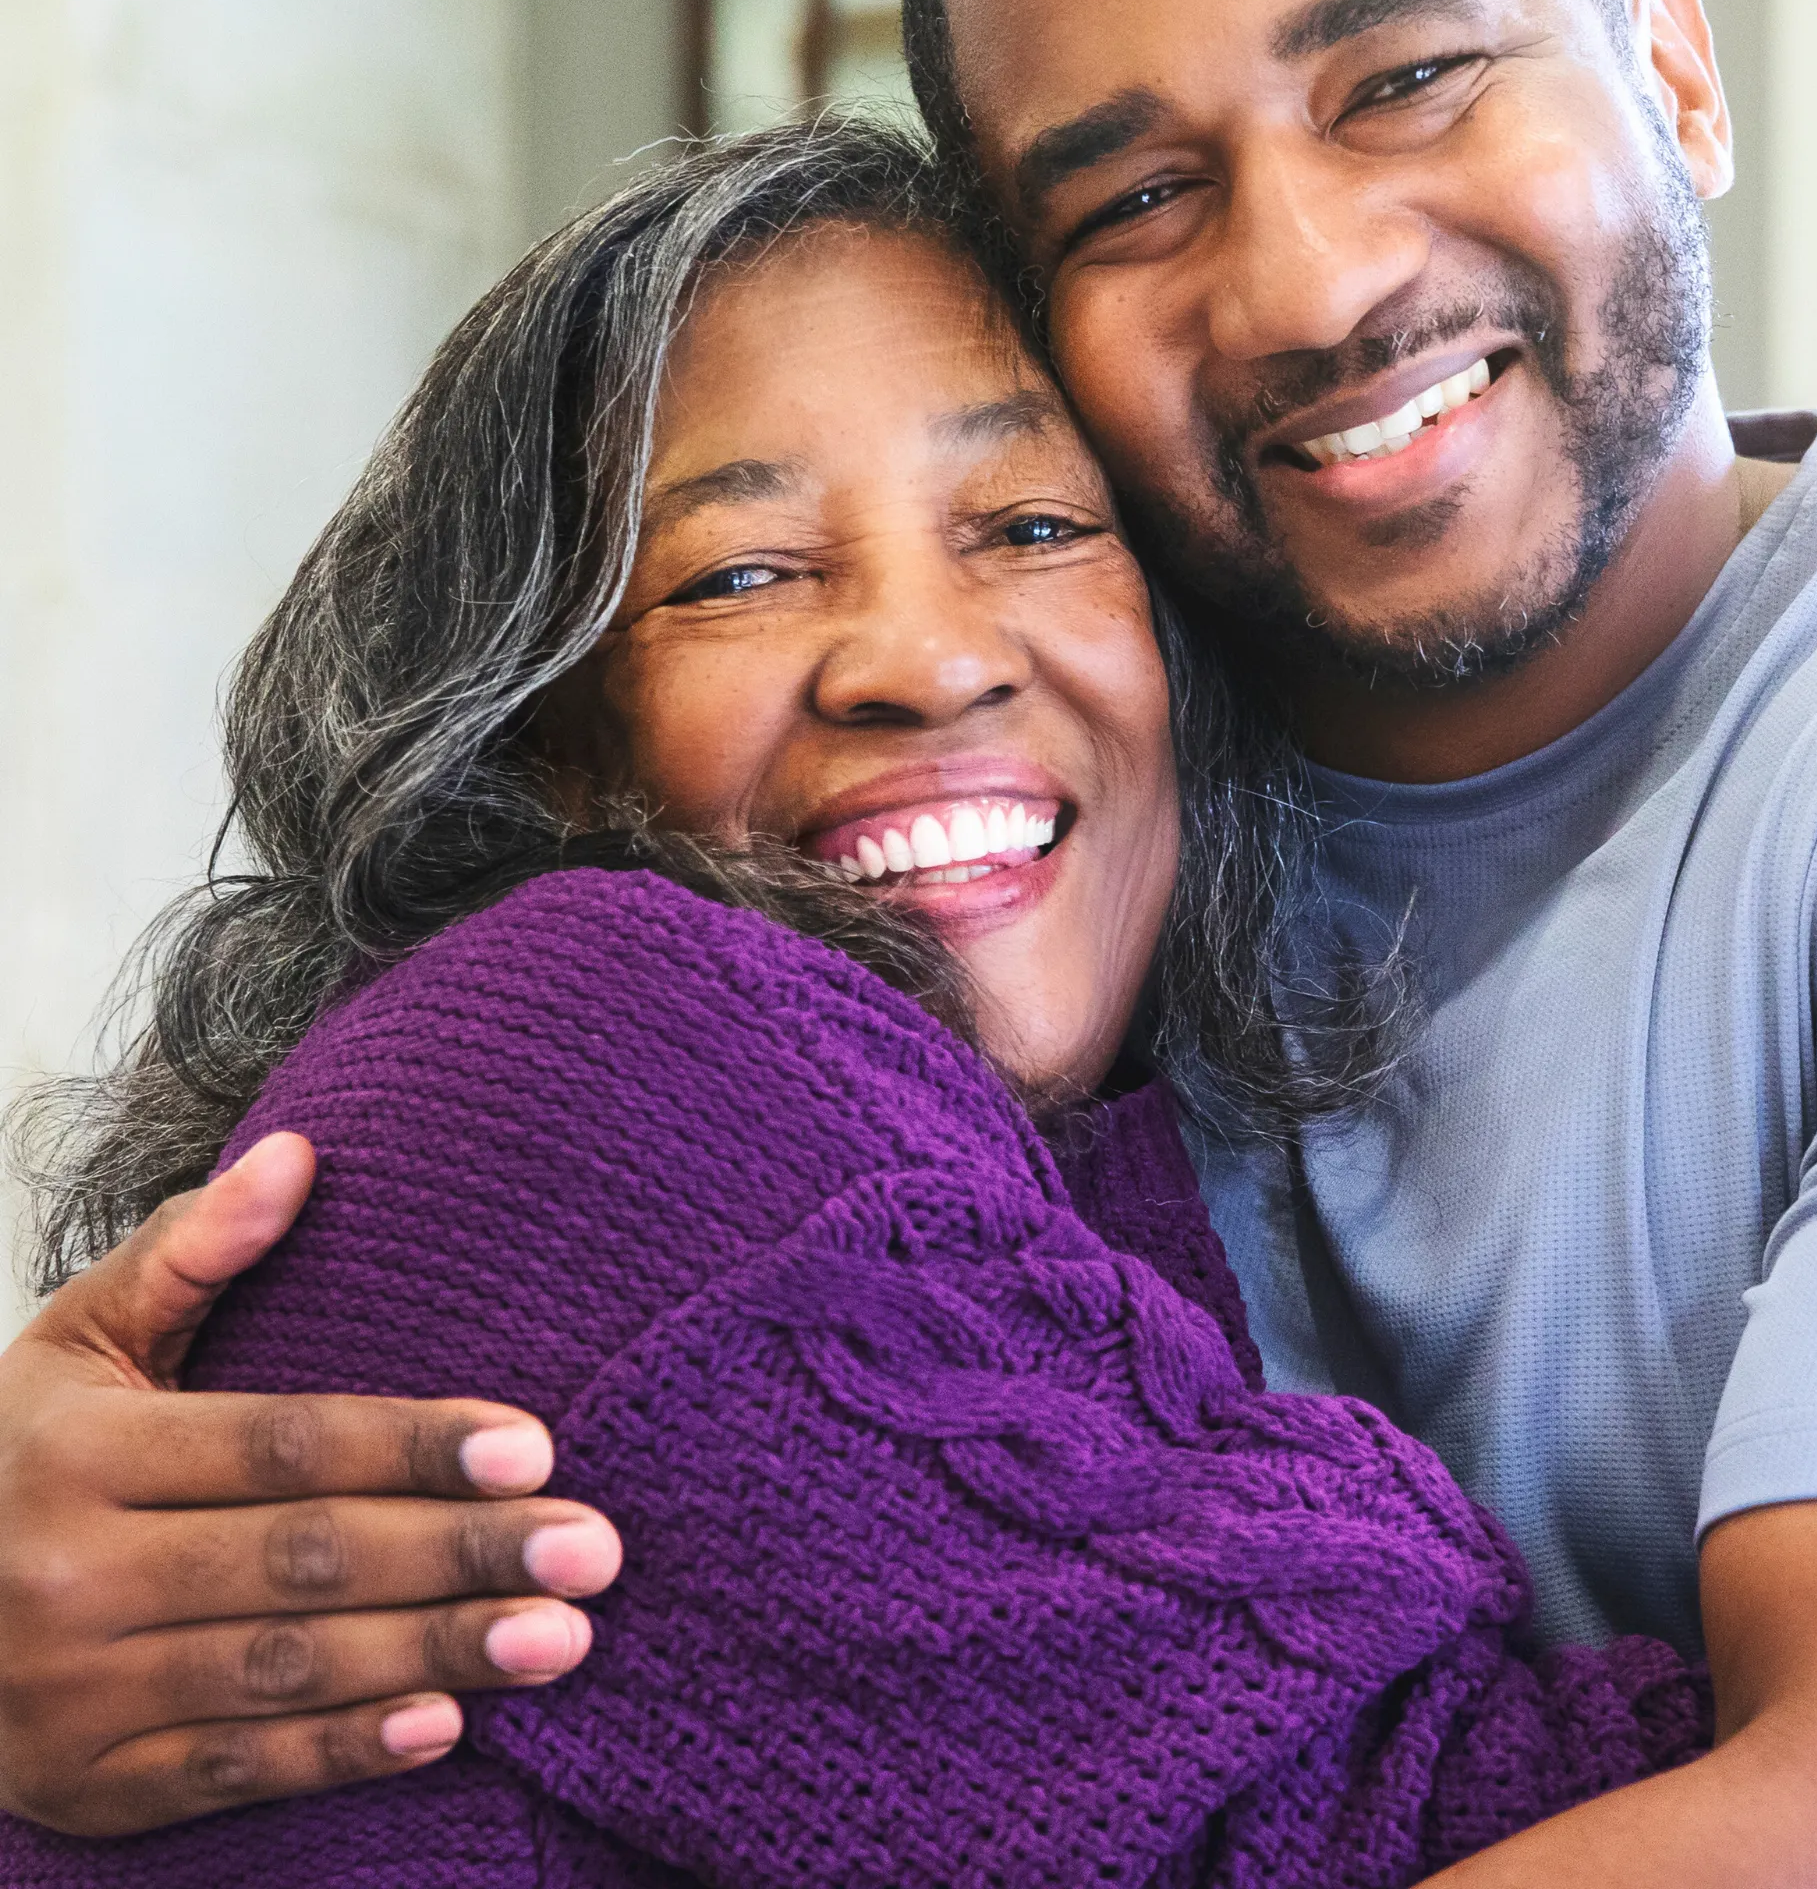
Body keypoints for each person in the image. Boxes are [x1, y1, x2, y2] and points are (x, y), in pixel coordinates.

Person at [6, 0, 1817, 1885]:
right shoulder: (1022, 853)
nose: (1310, 280)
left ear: (1674, 67)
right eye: (1139, 195)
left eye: (1412, 78)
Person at [0, 116, 1706, 1884]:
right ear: (551, 748)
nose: (927, 655)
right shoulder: (607, 1055)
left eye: (1036, 526)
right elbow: (1407, 1824)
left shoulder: (1075, 1160)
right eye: (739, 574)